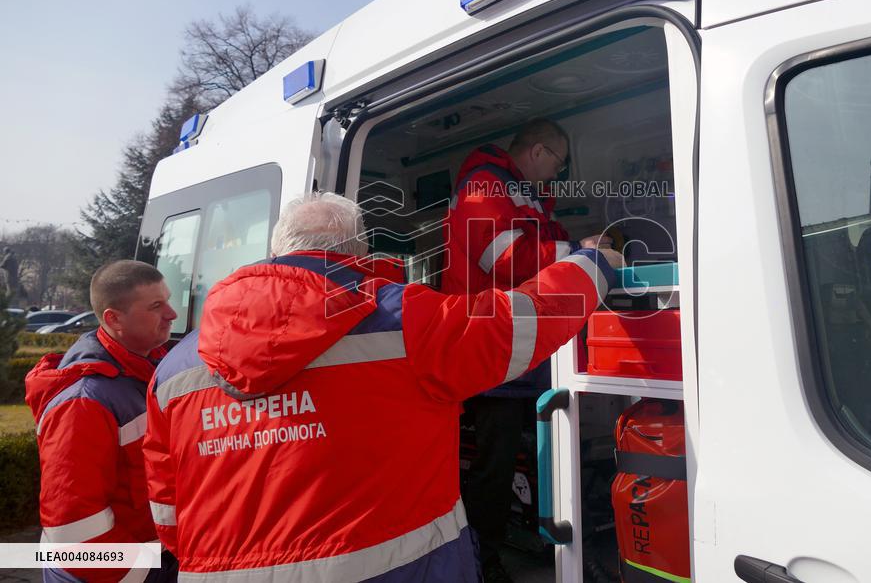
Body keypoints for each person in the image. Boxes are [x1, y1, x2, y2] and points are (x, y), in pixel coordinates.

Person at [143, 193, 622, 581]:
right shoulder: (407, 320)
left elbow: (168, 511)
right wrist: (595, 260)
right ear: (360, 254)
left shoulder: (173, 369)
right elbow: (529, 318)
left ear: (276, 250)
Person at [441, 118, 608, 581]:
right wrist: (582, 252)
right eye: (557, 164)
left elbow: (542, 246)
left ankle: (529, 539)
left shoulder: (523, 195)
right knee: (494, 465)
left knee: (522, 453)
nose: (556, 175)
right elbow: (505, 257)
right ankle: (482, 561)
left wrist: (579, 249)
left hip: (515, 344)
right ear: (537, 152)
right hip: (488, 343)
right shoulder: (483, 185)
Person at [25, 260, 179, 583]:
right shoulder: (83, 403)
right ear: (114, 319)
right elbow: (75, 534)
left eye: (167, 299)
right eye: (156, 306)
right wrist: (149, 574)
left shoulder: (148, 368)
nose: (172, 314)